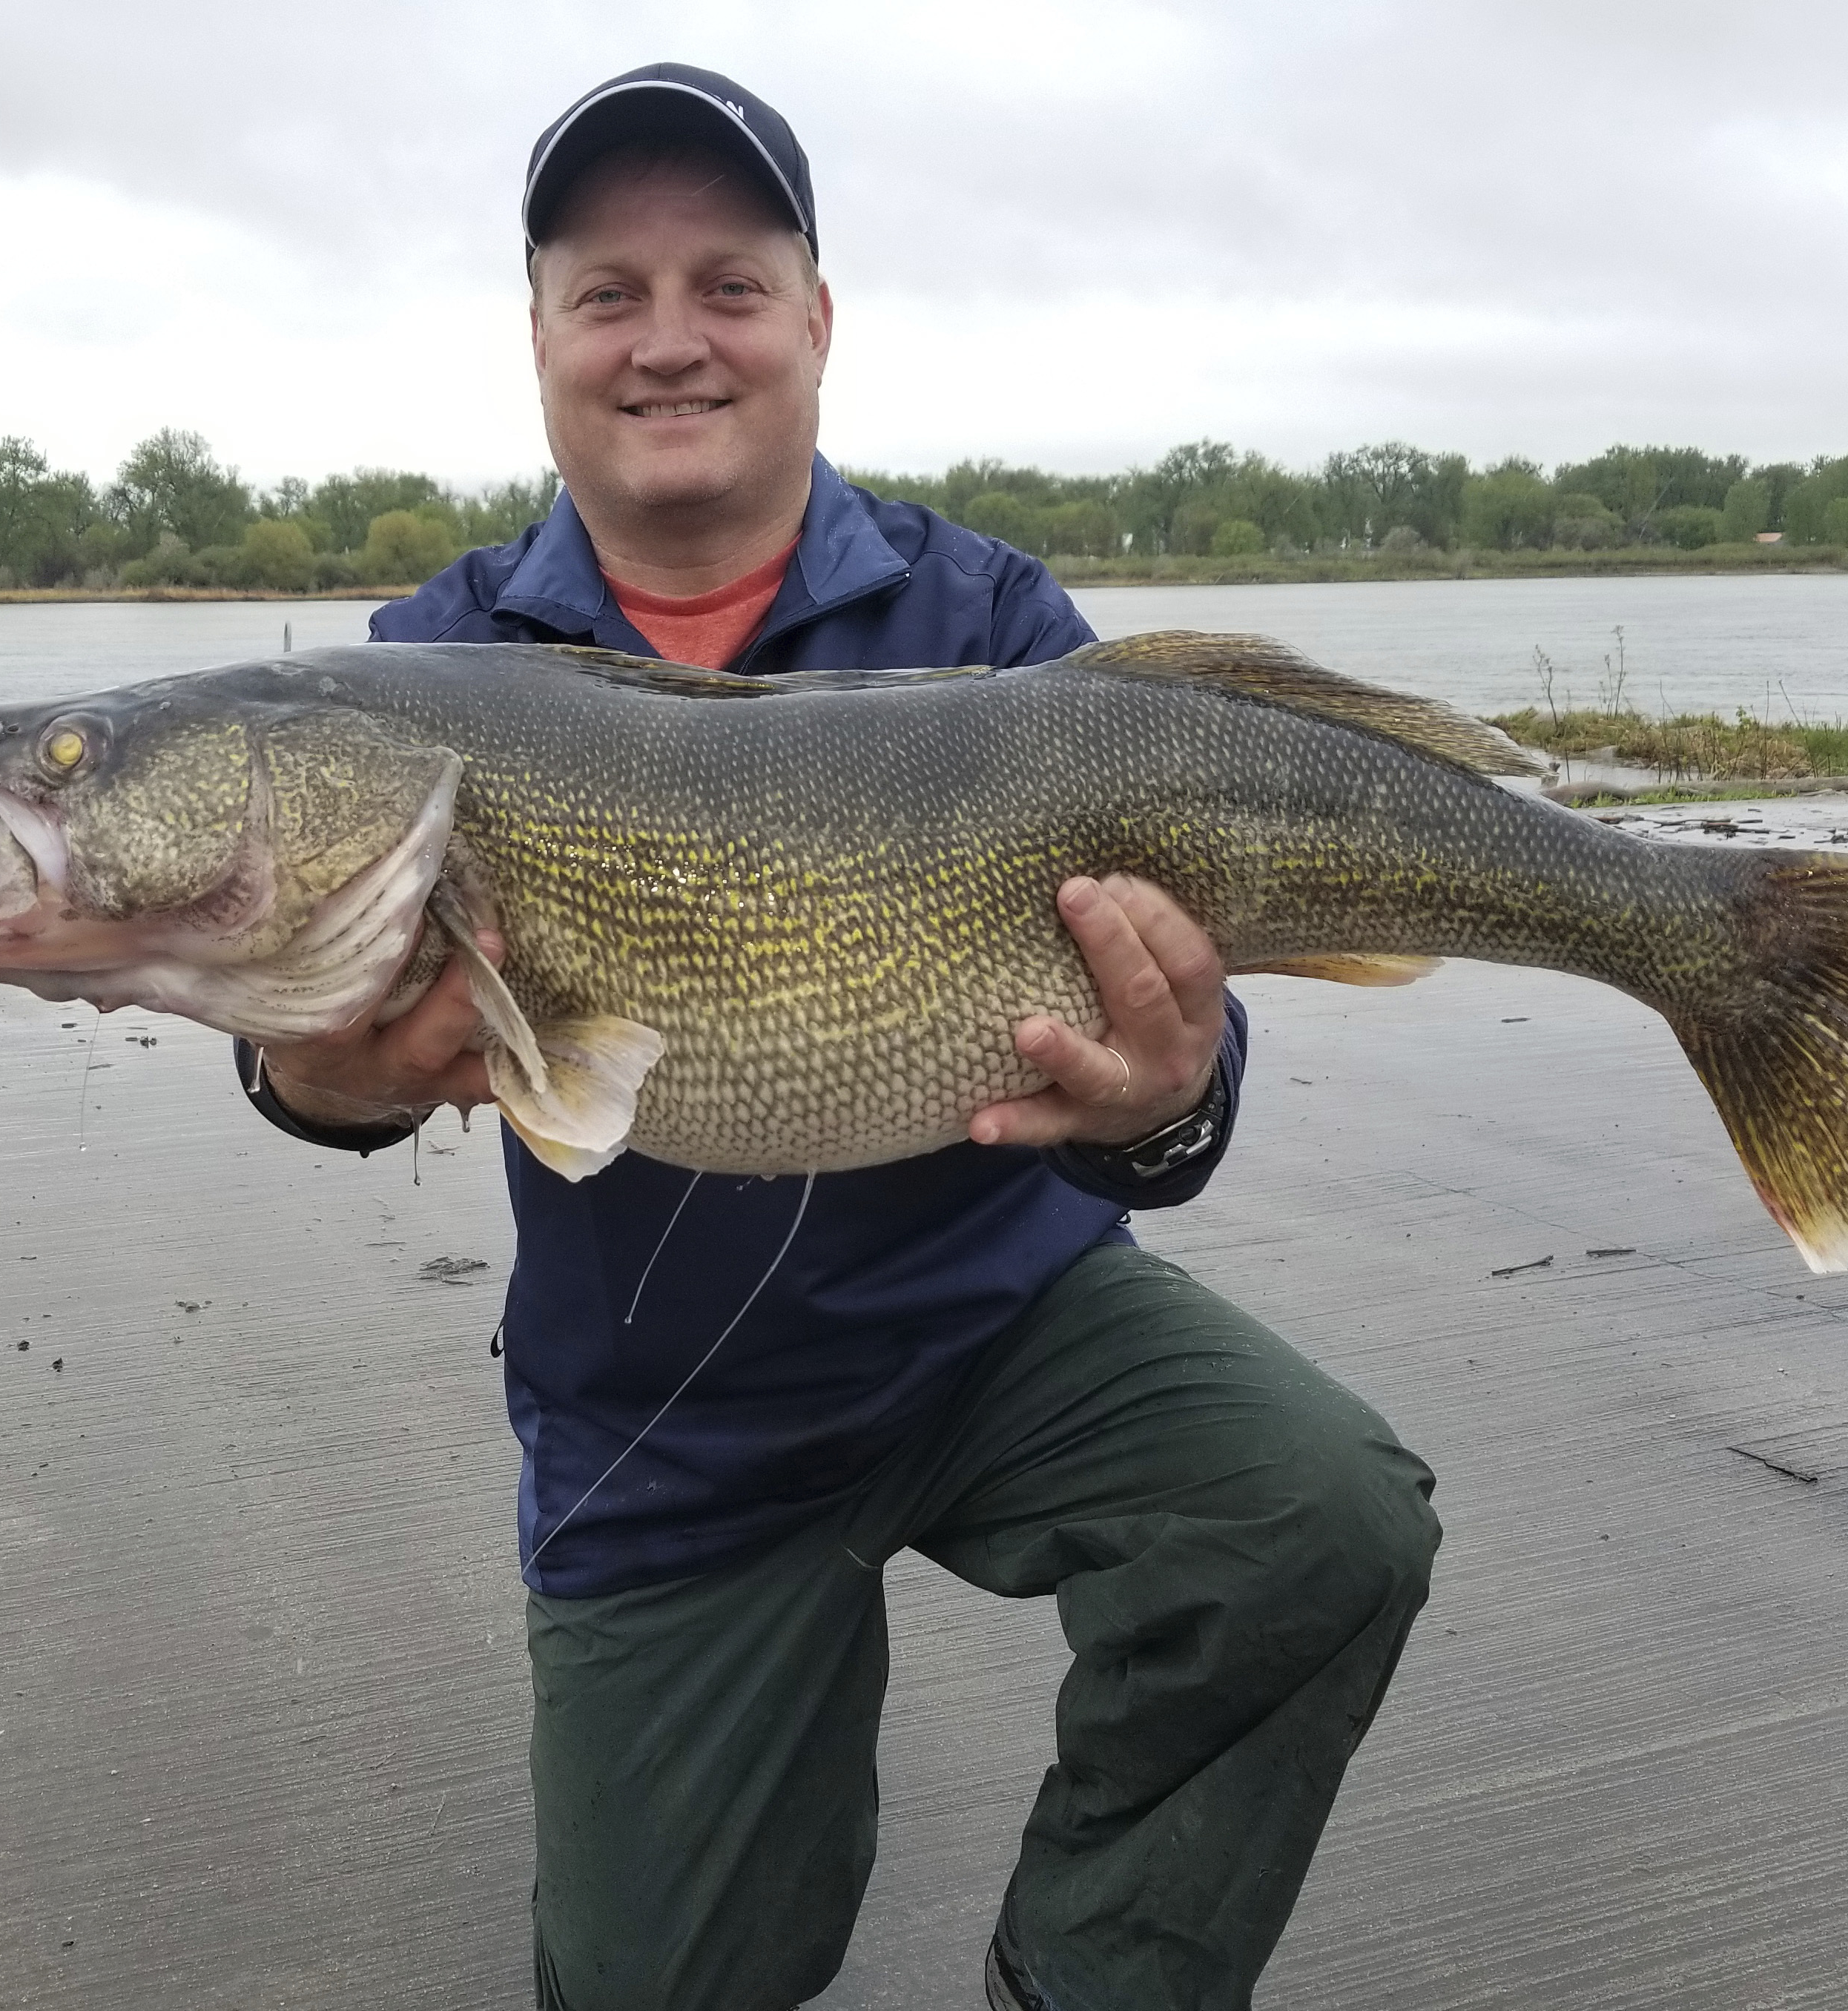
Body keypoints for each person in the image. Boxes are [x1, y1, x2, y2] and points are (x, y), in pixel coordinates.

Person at [235, 63, 1439, 2011]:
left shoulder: (987, 621)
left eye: (725, 281)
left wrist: (1163, 1096)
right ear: (538, 337)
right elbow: (309, 1042)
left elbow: (1177, 1103)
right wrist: (319, 1073)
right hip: (667, 1423)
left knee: (1318, 1518)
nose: (666, 339)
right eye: (605, 292)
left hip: (1002, 1328)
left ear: (814, 317)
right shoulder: (428, 673)